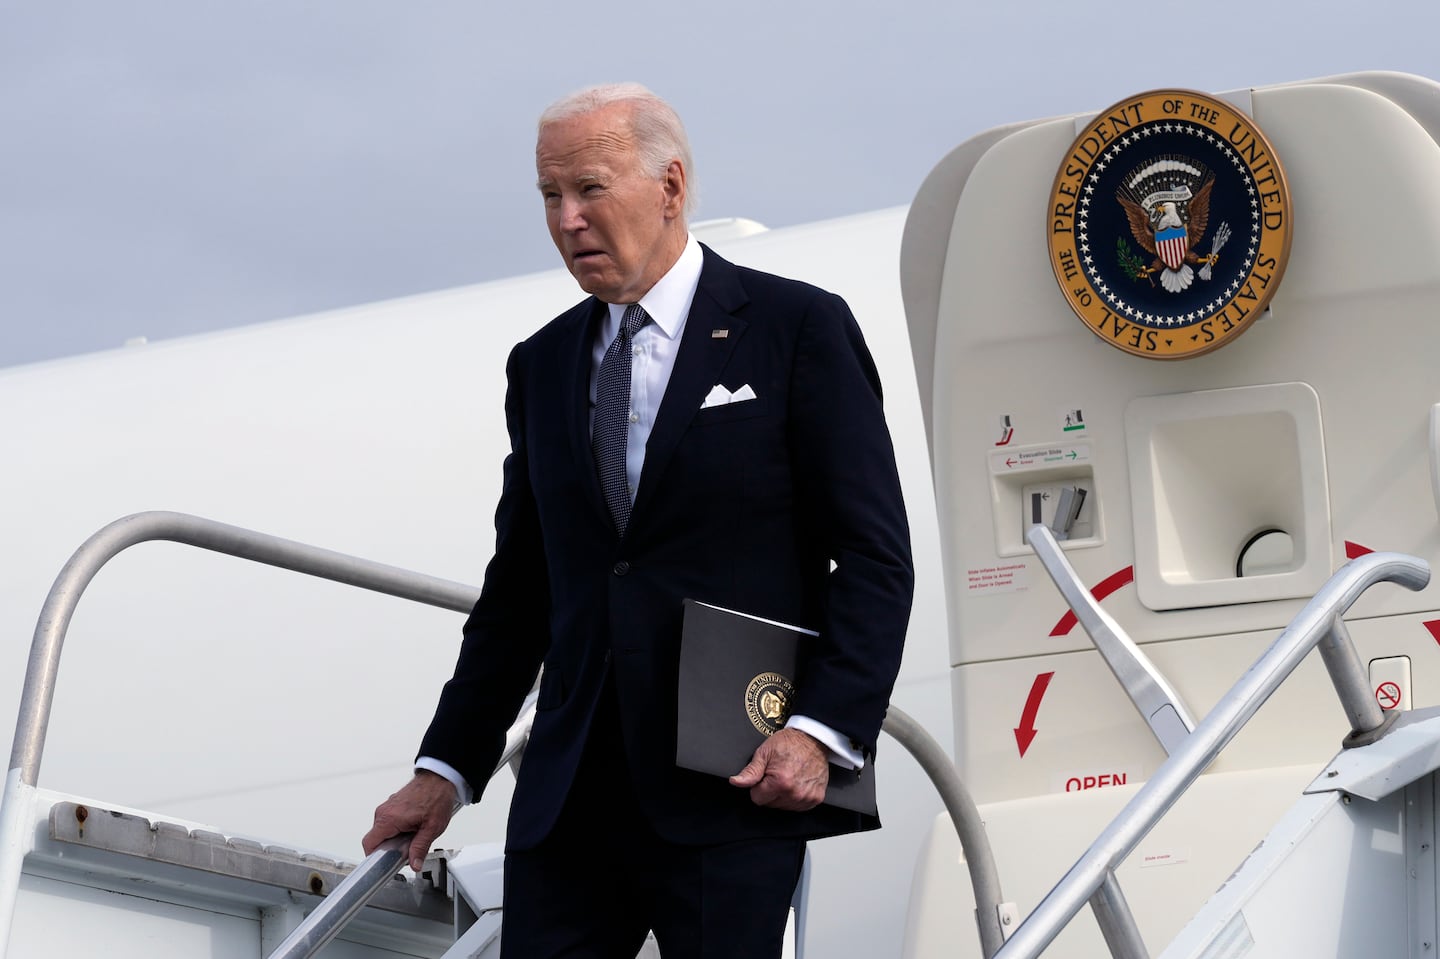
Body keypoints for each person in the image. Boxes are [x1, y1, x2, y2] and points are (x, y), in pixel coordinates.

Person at [363, 82, 913, 958]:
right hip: (571, 795)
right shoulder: (541, 365)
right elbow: (520, 591)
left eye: (590, 189)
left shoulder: (795, 328)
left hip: (734, 781)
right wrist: (446, 770)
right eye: (550, 196)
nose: (568, 220)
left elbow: (876, 558)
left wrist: (819, 729)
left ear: (670, 185)